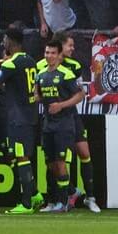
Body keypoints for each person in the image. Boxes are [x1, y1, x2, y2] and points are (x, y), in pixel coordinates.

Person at [0, 28, 41, 214]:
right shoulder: (30, 61)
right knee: (21, 156)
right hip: (29, 114)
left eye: (4, 39)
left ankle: (26, 203)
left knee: (22, 157)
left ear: (11, 41)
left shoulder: (11, 64)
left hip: (18, 117)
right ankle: (35, 194)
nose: (3, 42)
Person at [34, 37, 84, 213]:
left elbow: (80, 95)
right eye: (47, 52)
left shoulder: (66, 74)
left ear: (58, 55)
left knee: (61, 163)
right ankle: (57, 198)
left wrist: (61, 105)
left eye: (53, 53)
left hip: (64, 124)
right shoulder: (40, 75)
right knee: (50, 164)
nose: (49, 56)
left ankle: (63, 203)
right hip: (48, 124)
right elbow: (38, 96)